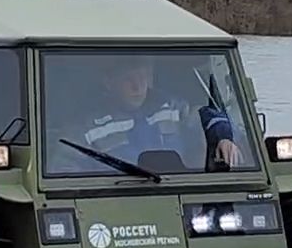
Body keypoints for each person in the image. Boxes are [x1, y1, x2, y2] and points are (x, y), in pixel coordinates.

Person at [60, 57, 243, 172]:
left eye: (142, 78)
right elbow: (63, 170)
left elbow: (207, 116)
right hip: (117, 198)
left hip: (178, 188)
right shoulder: (89, 128)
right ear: (109, 83)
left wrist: (224, 137)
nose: (138, 87)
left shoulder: (172, 109)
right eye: (128, 79)